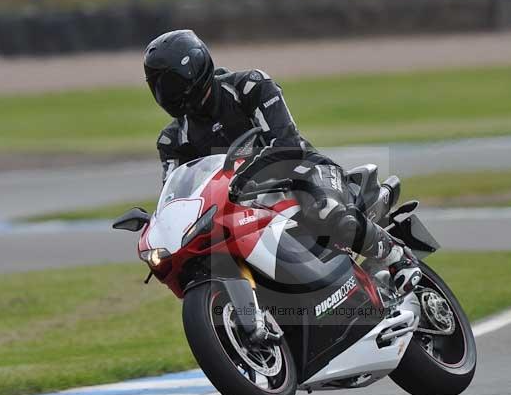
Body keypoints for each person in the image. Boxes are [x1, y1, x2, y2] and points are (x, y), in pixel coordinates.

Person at [144, 29, 421, 298]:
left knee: (328, 212)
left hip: (303, 173)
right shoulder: (172, 141)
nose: (166, 93)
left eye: (170, 84)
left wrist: (247, 172)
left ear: (195, 69)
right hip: (244, 208)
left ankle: (397, 257)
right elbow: (177, 193)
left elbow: (288, 143)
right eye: (158, 86)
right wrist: (159, 221)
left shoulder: (249, 87)